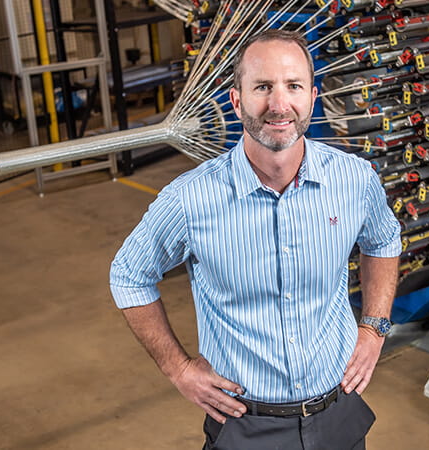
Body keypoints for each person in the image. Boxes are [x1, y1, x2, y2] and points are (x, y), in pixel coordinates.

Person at [110, 29, 402, 450]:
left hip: (338, 413)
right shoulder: (190, 199)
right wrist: (178, 368)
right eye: (262, 86)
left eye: (293, 86)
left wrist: (374, 328)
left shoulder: (354, 179)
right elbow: (128, 276)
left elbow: (383, 241)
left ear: (312, 97)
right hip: (247, 426)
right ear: (236, 99)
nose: (279, 105)